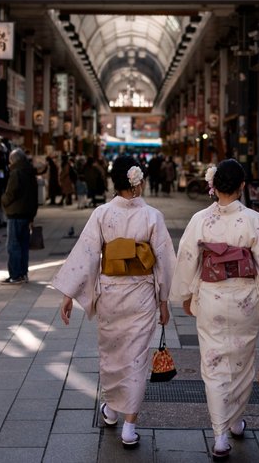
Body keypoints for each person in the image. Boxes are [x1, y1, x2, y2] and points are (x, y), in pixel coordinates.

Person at [169, 158, 259, 461]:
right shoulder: (253, 219)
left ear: (214, 185)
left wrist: (184, 294)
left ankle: (220, 435)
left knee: (212, 365)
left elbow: (187, 258)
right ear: (241, 186)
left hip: (211, 298)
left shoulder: (200, 219)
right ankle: (235, 421)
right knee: (241, 363)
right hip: (245, 300)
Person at [52, 155, 175, 449]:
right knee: (136, 358)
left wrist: (68, 293)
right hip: (142, 294)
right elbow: (165, 264)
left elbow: (86, 254)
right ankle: (129, 425)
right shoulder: (152, 216)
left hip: (111, 294)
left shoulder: (102, 214)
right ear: (136, 183)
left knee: (112, 355)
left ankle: (110, 408)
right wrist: (164, 299)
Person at [0, 148, 39, 284]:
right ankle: (23, 273)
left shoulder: (16, 173)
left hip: (15, 214)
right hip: (27, 215)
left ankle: (15, 275)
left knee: (13, 246)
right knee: (23, 245)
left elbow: (11, 193)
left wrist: (3, 200)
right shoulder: (30, 172)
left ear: (13, 161)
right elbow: (35, 196)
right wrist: (32, 215)